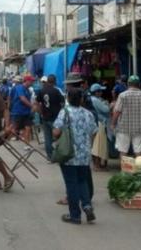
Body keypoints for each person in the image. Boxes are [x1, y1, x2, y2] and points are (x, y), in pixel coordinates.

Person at [53, 88, 98, 224]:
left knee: (71, 184)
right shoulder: (88, 114)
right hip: (84, 155)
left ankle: (75, 215)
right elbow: (94, 131)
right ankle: (87, 206)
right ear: (82, 99)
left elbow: (56, 132)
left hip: (69, 155)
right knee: (82, 181)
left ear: (67, 98)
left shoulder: (65, 113)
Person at [111, 75, 141, 157]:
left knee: (123, 150)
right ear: (139, 84)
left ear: (128, 84)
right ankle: (137, 167)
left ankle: (124, 169)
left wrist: (113, 124)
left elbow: (117, 111)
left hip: (123, 128)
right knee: (138, 151)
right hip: (140, 127)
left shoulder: (122, 95)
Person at [36, 75, 65, 161]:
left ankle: (50, 157)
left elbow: (37, 103)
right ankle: (59, 155)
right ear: (54, 81)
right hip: (55, 118)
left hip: (45, 117)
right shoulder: (56, 91)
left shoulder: (41, 91)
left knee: (47, 137)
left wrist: (41, 113)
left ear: (48, 81)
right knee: (58, 136)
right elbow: (63, 103)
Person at [90, 83, 111, 170]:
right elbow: (106, 110)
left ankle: (97, 165)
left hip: (95, 123)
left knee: (95, 145)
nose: (101, 92)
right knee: (98, 146)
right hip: (99, 123)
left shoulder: (92, 99)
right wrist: (108, 104)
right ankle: (97, 165)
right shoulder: (96, 100)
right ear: (96, 92)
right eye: (100, 91)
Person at [9, 75, 35, 142]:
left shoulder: (28, 90)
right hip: (18, 112)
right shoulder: (19, 88)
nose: (32, 83)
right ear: (27, 81)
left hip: (26, 112)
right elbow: (22, 98)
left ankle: (27, 144)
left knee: (28, 127)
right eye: (31, 81)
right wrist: (32, 106)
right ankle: (7, 140)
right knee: (14, 128)